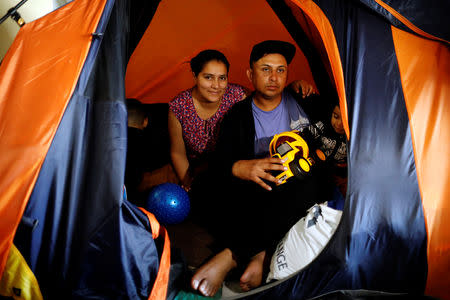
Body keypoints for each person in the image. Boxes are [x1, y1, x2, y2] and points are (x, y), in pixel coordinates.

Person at [190, 40, 334, 297]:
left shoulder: (307, 102)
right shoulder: (238, 115)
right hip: (259, 190)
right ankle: (262, 253)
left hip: (301, 184)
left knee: (306, 181)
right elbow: (221, 163)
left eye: (281, 70)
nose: (274, 78)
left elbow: (337, 123)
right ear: (250, 74)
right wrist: (240, 167)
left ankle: (233, 255)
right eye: (266, 69)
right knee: (208, 187)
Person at [168, 50, 314, 193]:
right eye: (208, 77)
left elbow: (266, 96)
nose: (216, 85)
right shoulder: (179, 106)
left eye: (222, 78)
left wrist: (293, 88)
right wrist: (188, 183)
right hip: (196, 166)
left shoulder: (237, 95)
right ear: (195, 76)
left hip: (228, 164)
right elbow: (177, 153)